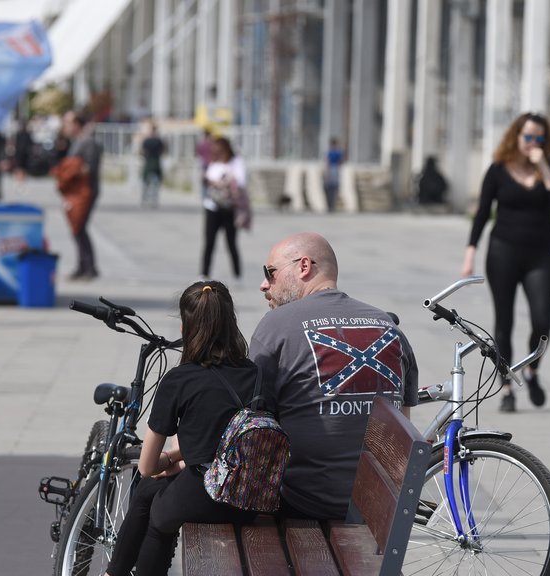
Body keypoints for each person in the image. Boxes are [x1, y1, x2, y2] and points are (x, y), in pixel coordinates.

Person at [248, 232, 419, 520]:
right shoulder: (388, 327)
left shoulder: (276, 325)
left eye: (271, 272)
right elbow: (402, 423)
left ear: (304, 267)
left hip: (302, 506)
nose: (264, 284)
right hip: (374, 510)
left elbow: (251, 420)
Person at [103, 280, 260, 576]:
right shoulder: (257, 374)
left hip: (209, 497)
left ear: (185, 330)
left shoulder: (180, 380)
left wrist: (168, 460)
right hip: (251, 498)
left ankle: (115, 572)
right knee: (155, 493)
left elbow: (148, 466)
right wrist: (178, 460)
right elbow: (224, 441)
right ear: (232, 323)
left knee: (153, 505)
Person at [461, 112, 550, 413]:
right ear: (516, 137)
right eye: (528, 137)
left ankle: (532, 371)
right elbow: (482, 213)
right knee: (504, 322)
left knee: (542, 321)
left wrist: (543, 163)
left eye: (539, 138)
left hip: (540, 255)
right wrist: (470, 251)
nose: (532, 143)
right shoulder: (497, 169)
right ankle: (507, 386)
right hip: (503, 251)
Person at [60, 110, 102, 280]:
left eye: (68, 123)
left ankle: (89, 267)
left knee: (79, 228)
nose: (65, 126)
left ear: (77, 124)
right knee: (77, 229)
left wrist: (69, 172)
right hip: (75, 192)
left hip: (85, 192)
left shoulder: (88, 142)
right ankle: (83, 266)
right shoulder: (76, 142)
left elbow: (88, 168)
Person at [200, 137, 249, 280]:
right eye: (215, 151)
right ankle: (204, 272)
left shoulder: (236, 162)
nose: (217, 154)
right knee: (209, 242)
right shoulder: (213, 163)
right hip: (212, 206)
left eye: (220, 151)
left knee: (231, 242)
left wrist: (225, 181)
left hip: (229, 207)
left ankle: (237, 273)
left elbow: (241, 181)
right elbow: (207, 179)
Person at [139, 121, 166, 208]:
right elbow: (162, 151)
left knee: (146, 182)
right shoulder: (158, 141)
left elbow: (142, 151)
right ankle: (153, 199)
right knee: (155, 183)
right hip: (155, 163)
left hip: (149, 162)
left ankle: (145, 198)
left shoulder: (147, 140)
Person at [323, 137, 345, 212]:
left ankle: (331, 205)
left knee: (331, 189)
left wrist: (327, 173)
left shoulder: (330, 152)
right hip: (335, 170)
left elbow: (327, 162)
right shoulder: (338, 152)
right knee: (332, 189)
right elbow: (341, 162)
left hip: (332, 170)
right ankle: (331, 205)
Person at [195, 128, 214, 200]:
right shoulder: (212, 144)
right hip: (211, 164)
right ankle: (208, 196)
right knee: (210, 182)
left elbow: (197, 153)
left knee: (204, 182)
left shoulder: (201, 144)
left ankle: (204, 196)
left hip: (203, 164)